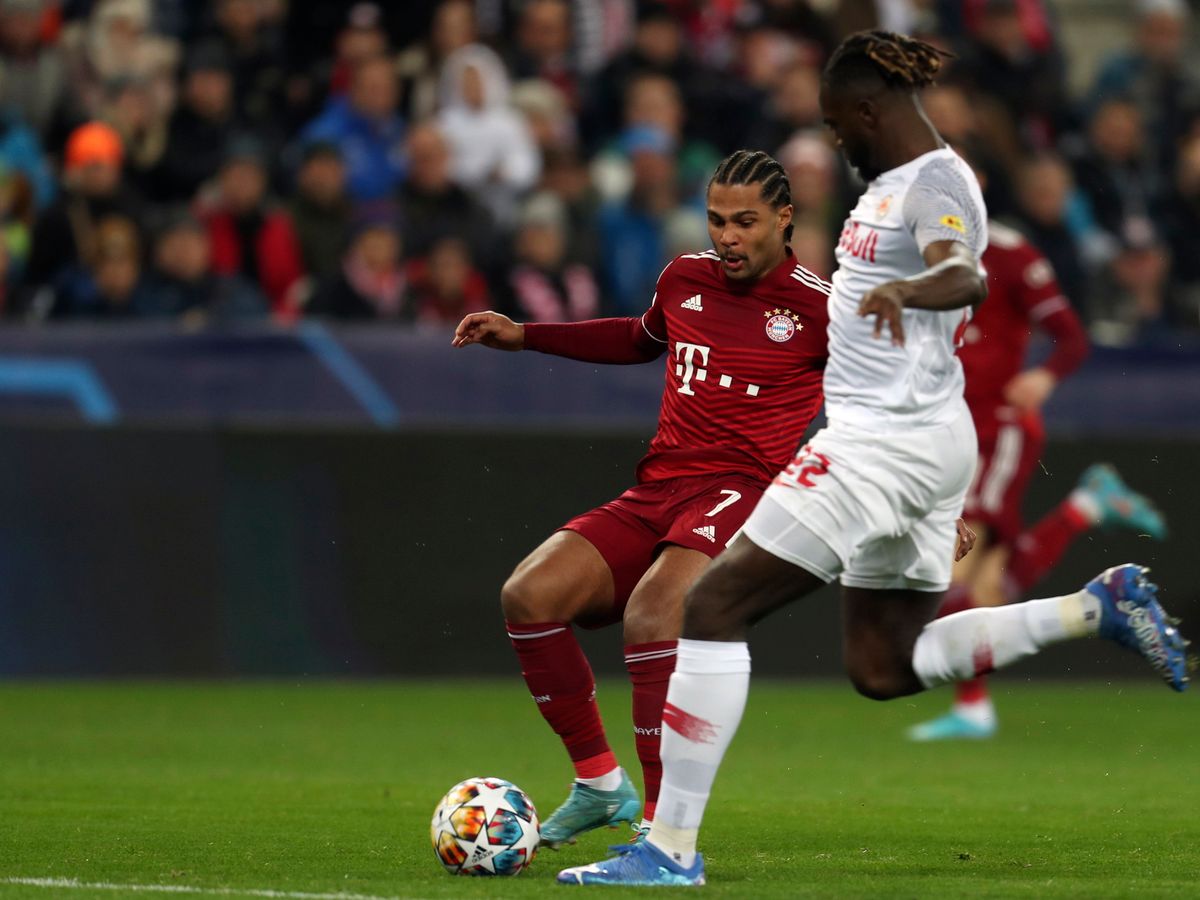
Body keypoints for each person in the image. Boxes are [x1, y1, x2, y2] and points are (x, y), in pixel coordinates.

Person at [559, 31, 1190, 888]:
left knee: (709, 606)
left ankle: (668, 850)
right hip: (915, 440)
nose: (834, 142)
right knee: (885, 666)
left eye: (835, 125)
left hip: (880, 444)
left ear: (867, 112)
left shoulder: (934, 181)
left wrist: (907, 291)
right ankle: (1094, 607)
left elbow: (962, 273)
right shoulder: (896, 183)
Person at [453, 148, 831, 850]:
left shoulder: (818, 308)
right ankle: (600, 785)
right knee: (529, 596)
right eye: (717, 220)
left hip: (741, 492)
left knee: (655, 612)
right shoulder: (684, 278)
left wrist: (936, 501)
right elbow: (637, 339)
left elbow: (882, 402)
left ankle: (661, 832)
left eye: (745, 222)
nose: (728, 237)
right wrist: (525, 335)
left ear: (784, 218)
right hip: (660, 486)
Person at [907, 151, 1168, 741]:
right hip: (944, 430)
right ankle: (1085, 511)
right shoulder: (912, 256)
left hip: (996, 428)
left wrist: (1041, 377)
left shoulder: (1010, 253)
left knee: (960, 574)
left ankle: (975, 703)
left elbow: (1070, 337)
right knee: (993, 583)